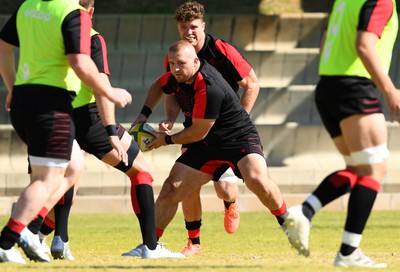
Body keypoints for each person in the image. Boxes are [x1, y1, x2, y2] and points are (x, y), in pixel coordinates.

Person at [34, 0, 184, 261]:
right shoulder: (92, 37)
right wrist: (111, 132)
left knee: (65, 178)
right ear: (90, 11)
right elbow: (100, 85)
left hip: (51, 114)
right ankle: (150, 247)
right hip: (88, 118)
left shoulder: (51, 35)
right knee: (141, 171)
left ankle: (57, 237)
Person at [146, 40, 309, 257]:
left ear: (195, 61)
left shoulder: (209, 85)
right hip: (206, 145)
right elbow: (160, 84)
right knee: (171, 188)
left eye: (181, 63)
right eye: (172, 63)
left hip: (237, 138)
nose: (175, 68)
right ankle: (150, 247)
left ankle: (290, 224)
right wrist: (143, 115)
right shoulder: (178, 74)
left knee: (256, 180)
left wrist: (164, 141)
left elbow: (198, 131)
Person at [0, 0, 131, 264]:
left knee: (74, 166)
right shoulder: (74, 13)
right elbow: (79, 61)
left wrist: (13, 86)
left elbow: (3, 47)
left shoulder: (27, 6)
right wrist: (110, 92)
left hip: (24, 102)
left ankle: (30, 227)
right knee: (46, 179)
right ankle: (6, 242)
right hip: (51, 105)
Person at [127, 0, 259, 256]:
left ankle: (230, 203)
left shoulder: (221, 50)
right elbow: (172, 90)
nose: (189, 32)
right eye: (183, 27)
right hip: (195, 128)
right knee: (185, 186)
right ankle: (194, 243)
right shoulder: (177, 55)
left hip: (227, 133)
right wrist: (169, 118)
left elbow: (252, 84)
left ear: (203, 26)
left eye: (193, 26)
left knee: (225, 188)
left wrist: (238, 124)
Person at [287, 0, 400, 268]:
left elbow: (324, 45)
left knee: (358, 168)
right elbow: (364, 45)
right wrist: (390, 91)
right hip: (355, 88)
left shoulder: (344, 1)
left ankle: (305, 211)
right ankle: (348, 253)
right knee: (374, 169)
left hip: (328, 87)